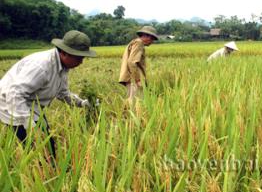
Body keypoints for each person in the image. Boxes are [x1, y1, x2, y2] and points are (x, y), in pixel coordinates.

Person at [0, 30, 97, 159]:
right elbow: (14, 93)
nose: (81, 62)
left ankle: (51, 169)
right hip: (12, 105)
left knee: (48, 144)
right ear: (64, 53)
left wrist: (82, 103)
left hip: (33, 106)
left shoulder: (62, 67)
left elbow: (63, 93)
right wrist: (29, 126)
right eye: (79, 58)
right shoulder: (42, 67)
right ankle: (37, 173)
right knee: (33, 148)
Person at [119, 25, 159, 103]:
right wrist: (138, 79)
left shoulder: (135, 42)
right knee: (134, 102)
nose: (152, 42)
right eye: (152, 39)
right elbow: (132, 62)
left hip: (132, 77)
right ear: (147, 36)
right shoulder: (139, 43)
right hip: (133, 78)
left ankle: (126, 114)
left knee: (133, 100)